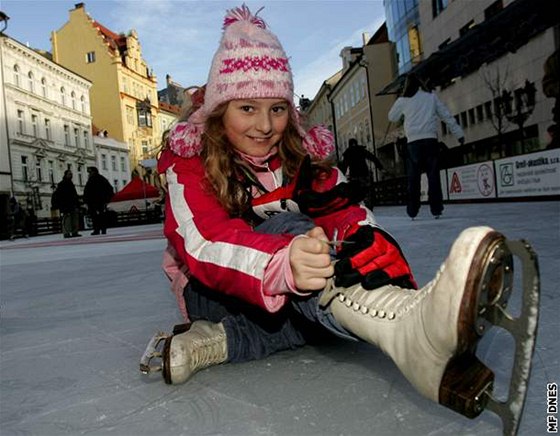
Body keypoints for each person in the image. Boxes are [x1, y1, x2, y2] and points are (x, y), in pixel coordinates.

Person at [140, 5, 519, 424]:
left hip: (293, 288)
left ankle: (403, 324)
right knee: (292, 233)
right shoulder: (189, 158)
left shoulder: (301, 157)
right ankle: (401, 333)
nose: (266, 126)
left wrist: (388, 274)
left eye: (278, 109)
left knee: (335, 299)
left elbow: (349, 215)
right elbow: (203, 241)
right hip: (211, 289)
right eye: (247, 108)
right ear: (218, 110)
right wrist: (283, 262)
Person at [388, 73, 464, 219]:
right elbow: (446, 115)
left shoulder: (404, 100)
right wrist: (458, 133)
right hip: (430, 140)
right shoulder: (431, 98)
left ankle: (413, 210)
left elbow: (392, 117)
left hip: (414, 143)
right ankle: (436, 209)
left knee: (414, 178)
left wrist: (402, 102)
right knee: (433, 176)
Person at [339, 138, 384, 205]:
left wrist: (341, 176)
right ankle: (368, 204)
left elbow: (344, 166)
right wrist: (380, 167)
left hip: (354, 176)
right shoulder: (361, 150)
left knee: (356, 192)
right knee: (367, 190)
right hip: (364, 174)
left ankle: (359, 204)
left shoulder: (348, 153)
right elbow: (372, 157)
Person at [83, 167, 114, 235]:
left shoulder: (99, 179)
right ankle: (98, 229)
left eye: (90, 172)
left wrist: (106, 199)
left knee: (99, 215)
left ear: (94, 172)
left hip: (98, 201)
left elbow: (109, 189)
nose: (89, 174)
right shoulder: (93, 179)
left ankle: (100, 229)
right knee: (96, 216)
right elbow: (87, 191)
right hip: (94, 201)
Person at [52, 170, 81, 238]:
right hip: (66, 205)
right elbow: (60, 196)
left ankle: (74, 232)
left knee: (74, 219)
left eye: (71, 174)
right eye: (69, 174)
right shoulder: (62, 184)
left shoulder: (71, 184)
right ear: (65, 175)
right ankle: (66, 232)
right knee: (67, 219)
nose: (71, 175)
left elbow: (74, 195)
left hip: (72, 204)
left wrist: (77, 204)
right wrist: (61, 205)